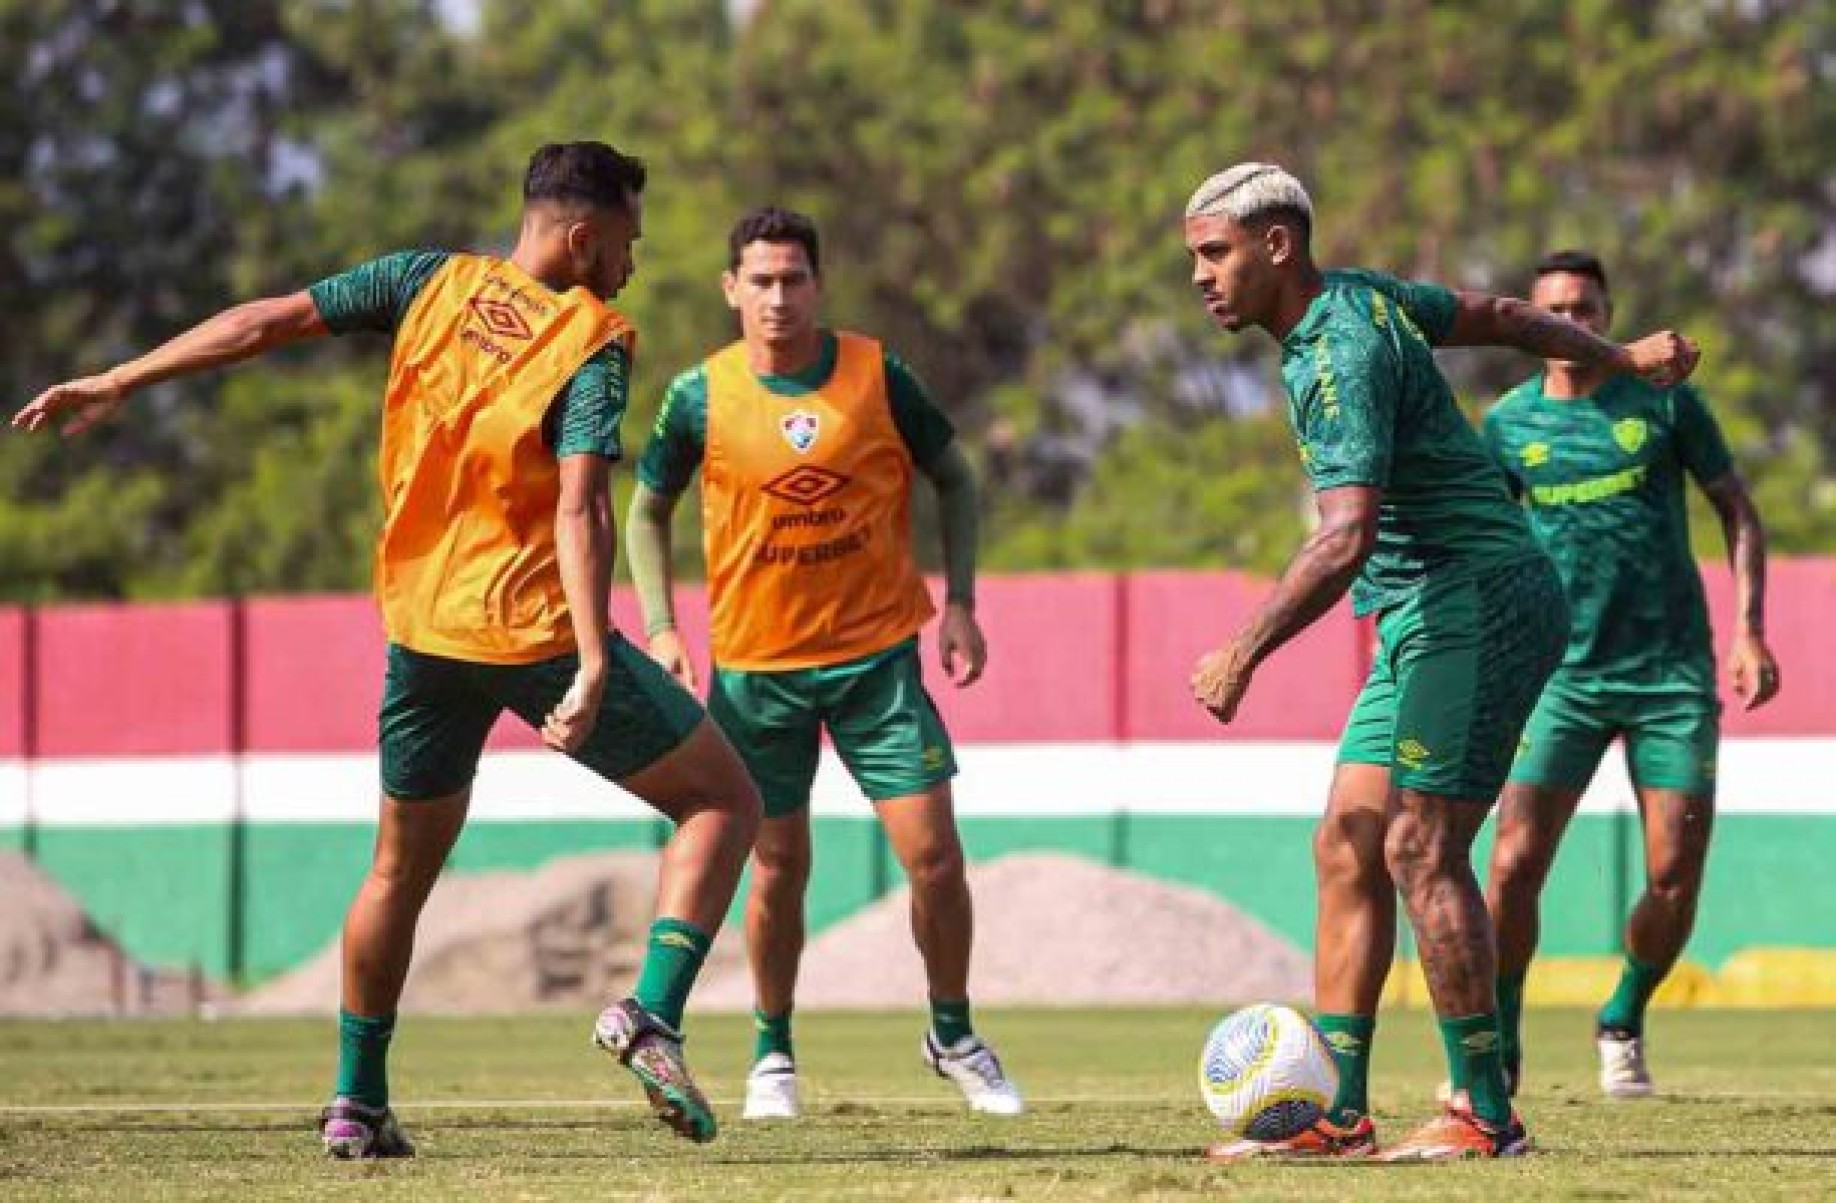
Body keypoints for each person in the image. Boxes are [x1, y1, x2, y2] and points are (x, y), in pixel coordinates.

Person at [12, 142, 762, 1154]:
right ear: (582, 235)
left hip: (419, 633)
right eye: (627, 237)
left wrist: (123, 375)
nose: (634, 257)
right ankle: (651, 1015)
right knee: (723, 798)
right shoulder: (594, 337)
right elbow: (582, 504)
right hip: (527, 629)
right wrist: (591, 661)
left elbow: (266, 321)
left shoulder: (423, 281)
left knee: (395, 875)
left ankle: (355, 1103)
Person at [1180, 163, 1699, 1161]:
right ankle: (1337, 1112)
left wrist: (1241, 651)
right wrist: (1621, 354)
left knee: (1420, 847)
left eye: (1216, 252)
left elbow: (1344, 537)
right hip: (1423, 611)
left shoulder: (1339, 350)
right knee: (1349, 838)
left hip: (1480, 597)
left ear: (1277, 243)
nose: (1201, 276)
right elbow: (1504, 314)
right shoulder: (1366, 295)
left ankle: (1484, 1113)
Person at [625, 205, 1022, 1120]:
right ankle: (773, 1052)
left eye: (793, 278)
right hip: (755, 672)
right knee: (776, 866)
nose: (776, 296)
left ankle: (953, 1032)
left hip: (878, 661)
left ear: (818, 284)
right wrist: (660, 625)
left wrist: (959, 600)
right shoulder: (699, 396)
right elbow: (647, 510)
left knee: (934, 858)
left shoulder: (877, 374)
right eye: (759, 280)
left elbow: (956, 476)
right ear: (731, 290)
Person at [1480, 249, 1778, 1099]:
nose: (1572, 325)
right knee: (1510, 866)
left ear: (1607, 316)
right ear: (1530, 326)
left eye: (1586, 309)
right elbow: (1484, 543)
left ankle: (1620, 1015)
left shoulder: (1665, 400)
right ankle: (1499, 1043)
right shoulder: (1507, 425)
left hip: (1670, 675)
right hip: (1558, 677)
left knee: (1674, 873)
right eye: (1555, 312)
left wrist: (1750, 630)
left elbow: (1738, 510)